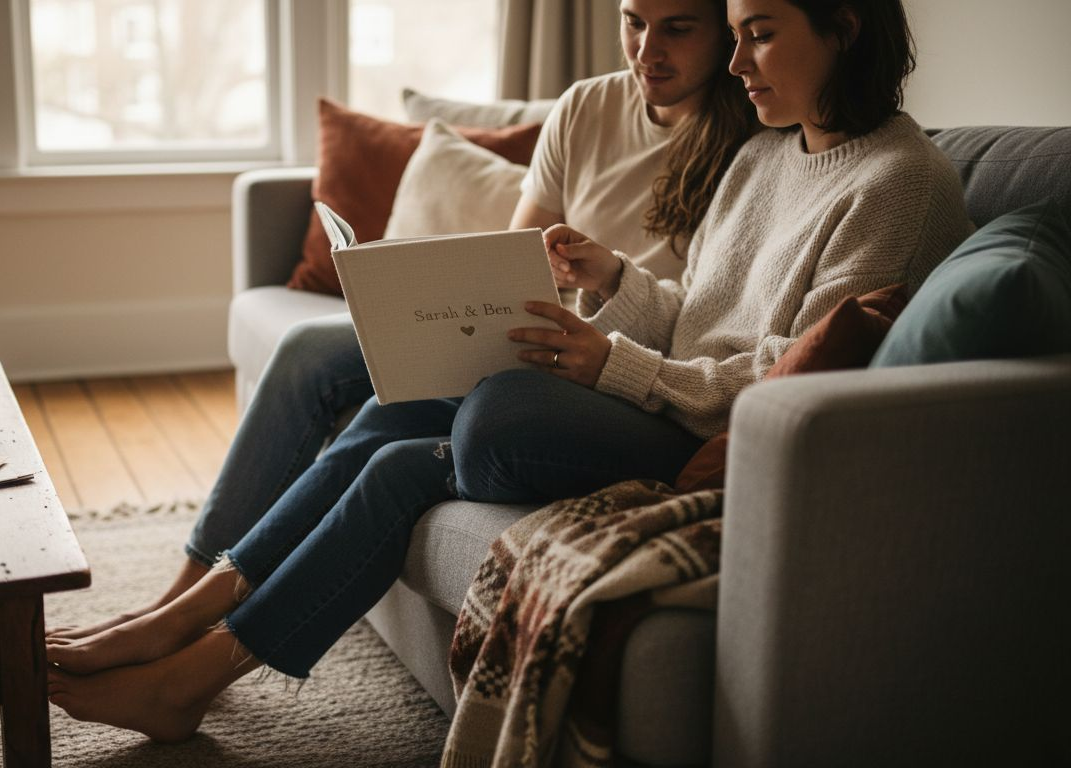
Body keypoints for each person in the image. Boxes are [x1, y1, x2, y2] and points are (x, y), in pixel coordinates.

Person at [48, 0, 975, 745]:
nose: (737, 65)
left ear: (845, 27)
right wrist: (612, 280)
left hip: (706, 431)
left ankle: (182, 647)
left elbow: (786, 376)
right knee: (397, 443)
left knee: (492, 411)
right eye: (735, 37)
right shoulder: (768, 152)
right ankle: (187, 658)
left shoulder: (899, 182)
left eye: (759, 36)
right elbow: (698, 307)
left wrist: (616, 363)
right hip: (666, 389)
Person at [47, 0, 757, 644]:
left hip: (604, 371)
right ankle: (187, 591)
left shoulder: (747, 140)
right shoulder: (588, 106)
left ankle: (195, 622)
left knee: (398, 421)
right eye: (634, 22)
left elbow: (695, 323)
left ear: (723, 30)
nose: (646, 49)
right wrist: (440, 294)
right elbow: (513, 258)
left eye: (677, 28)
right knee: (307, 353)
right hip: (525, 337)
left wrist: (603, 285)